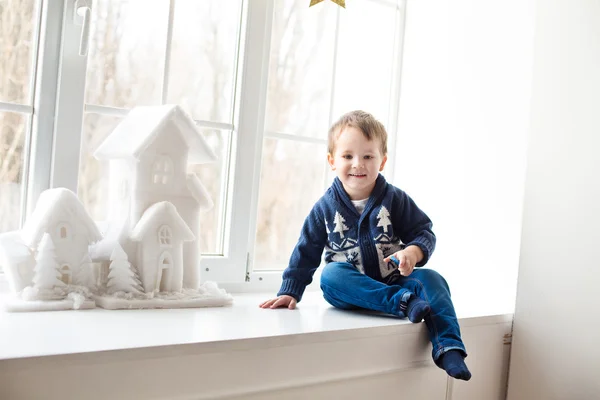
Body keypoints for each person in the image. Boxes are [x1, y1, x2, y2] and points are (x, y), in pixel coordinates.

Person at [259, 110, 471, 381]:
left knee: (433, 279)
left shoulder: (394, 199)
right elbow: (306, 250)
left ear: (382, 162)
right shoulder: (325, 208)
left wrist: (412, 252)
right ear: (332, 161)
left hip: (396, 278)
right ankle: (403, 304)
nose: (358, 164)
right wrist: (291, 290)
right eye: (348, 156)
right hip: (353, 289)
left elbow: (423, 231)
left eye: (368, 156)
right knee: (331, 275)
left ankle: (448, 347)